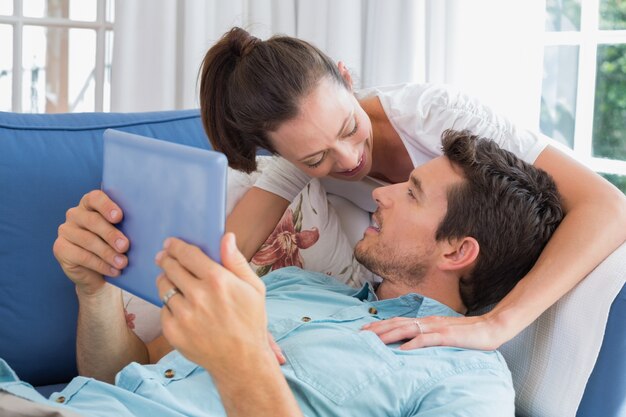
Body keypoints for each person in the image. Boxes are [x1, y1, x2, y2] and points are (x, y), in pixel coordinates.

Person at [2, 130, 562, 417]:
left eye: (412, 193)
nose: (383, 194)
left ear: (457, 251)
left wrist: (242, 363)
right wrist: (94, 288)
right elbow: (116, 374)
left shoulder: (468, 380)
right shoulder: (298, 284)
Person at [199, 27, 626, 351]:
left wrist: (497, 324)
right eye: (315, 160)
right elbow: (223, 258)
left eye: (349, 128)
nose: (348, 161)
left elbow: (609, 206)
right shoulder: (296, 159)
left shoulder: (434, 115)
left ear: (347, 80)